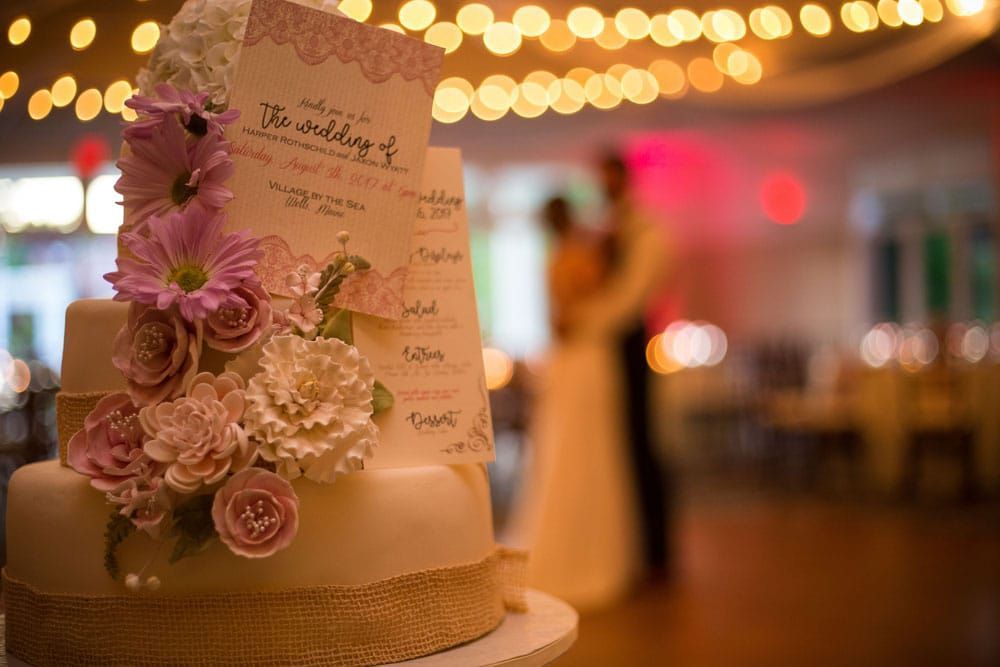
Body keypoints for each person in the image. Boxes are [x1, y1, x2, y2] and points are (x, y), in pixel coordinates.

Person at [506, 195, 642, 611]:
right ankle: (585, 558)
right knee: (584, 455)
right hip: (584, 362)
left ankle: (577, 553)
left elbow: (557, 322)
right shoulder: (579, 259)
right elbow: (566, 320)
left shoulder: (555, 262)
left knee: (576, 453)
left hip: (574, 363)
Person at [579, 152, 671, 581]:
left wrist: (585, 321)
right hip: (603, 351)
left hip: (632, 346)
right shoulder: (604, 226)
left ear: (623, 179)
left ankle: (657, 553)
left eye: (609, 179)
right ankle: (626, 547)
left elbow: (633, 297)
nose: (604, 187)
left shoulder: (648, 231)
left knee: (640, 441)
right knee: (613, 444)